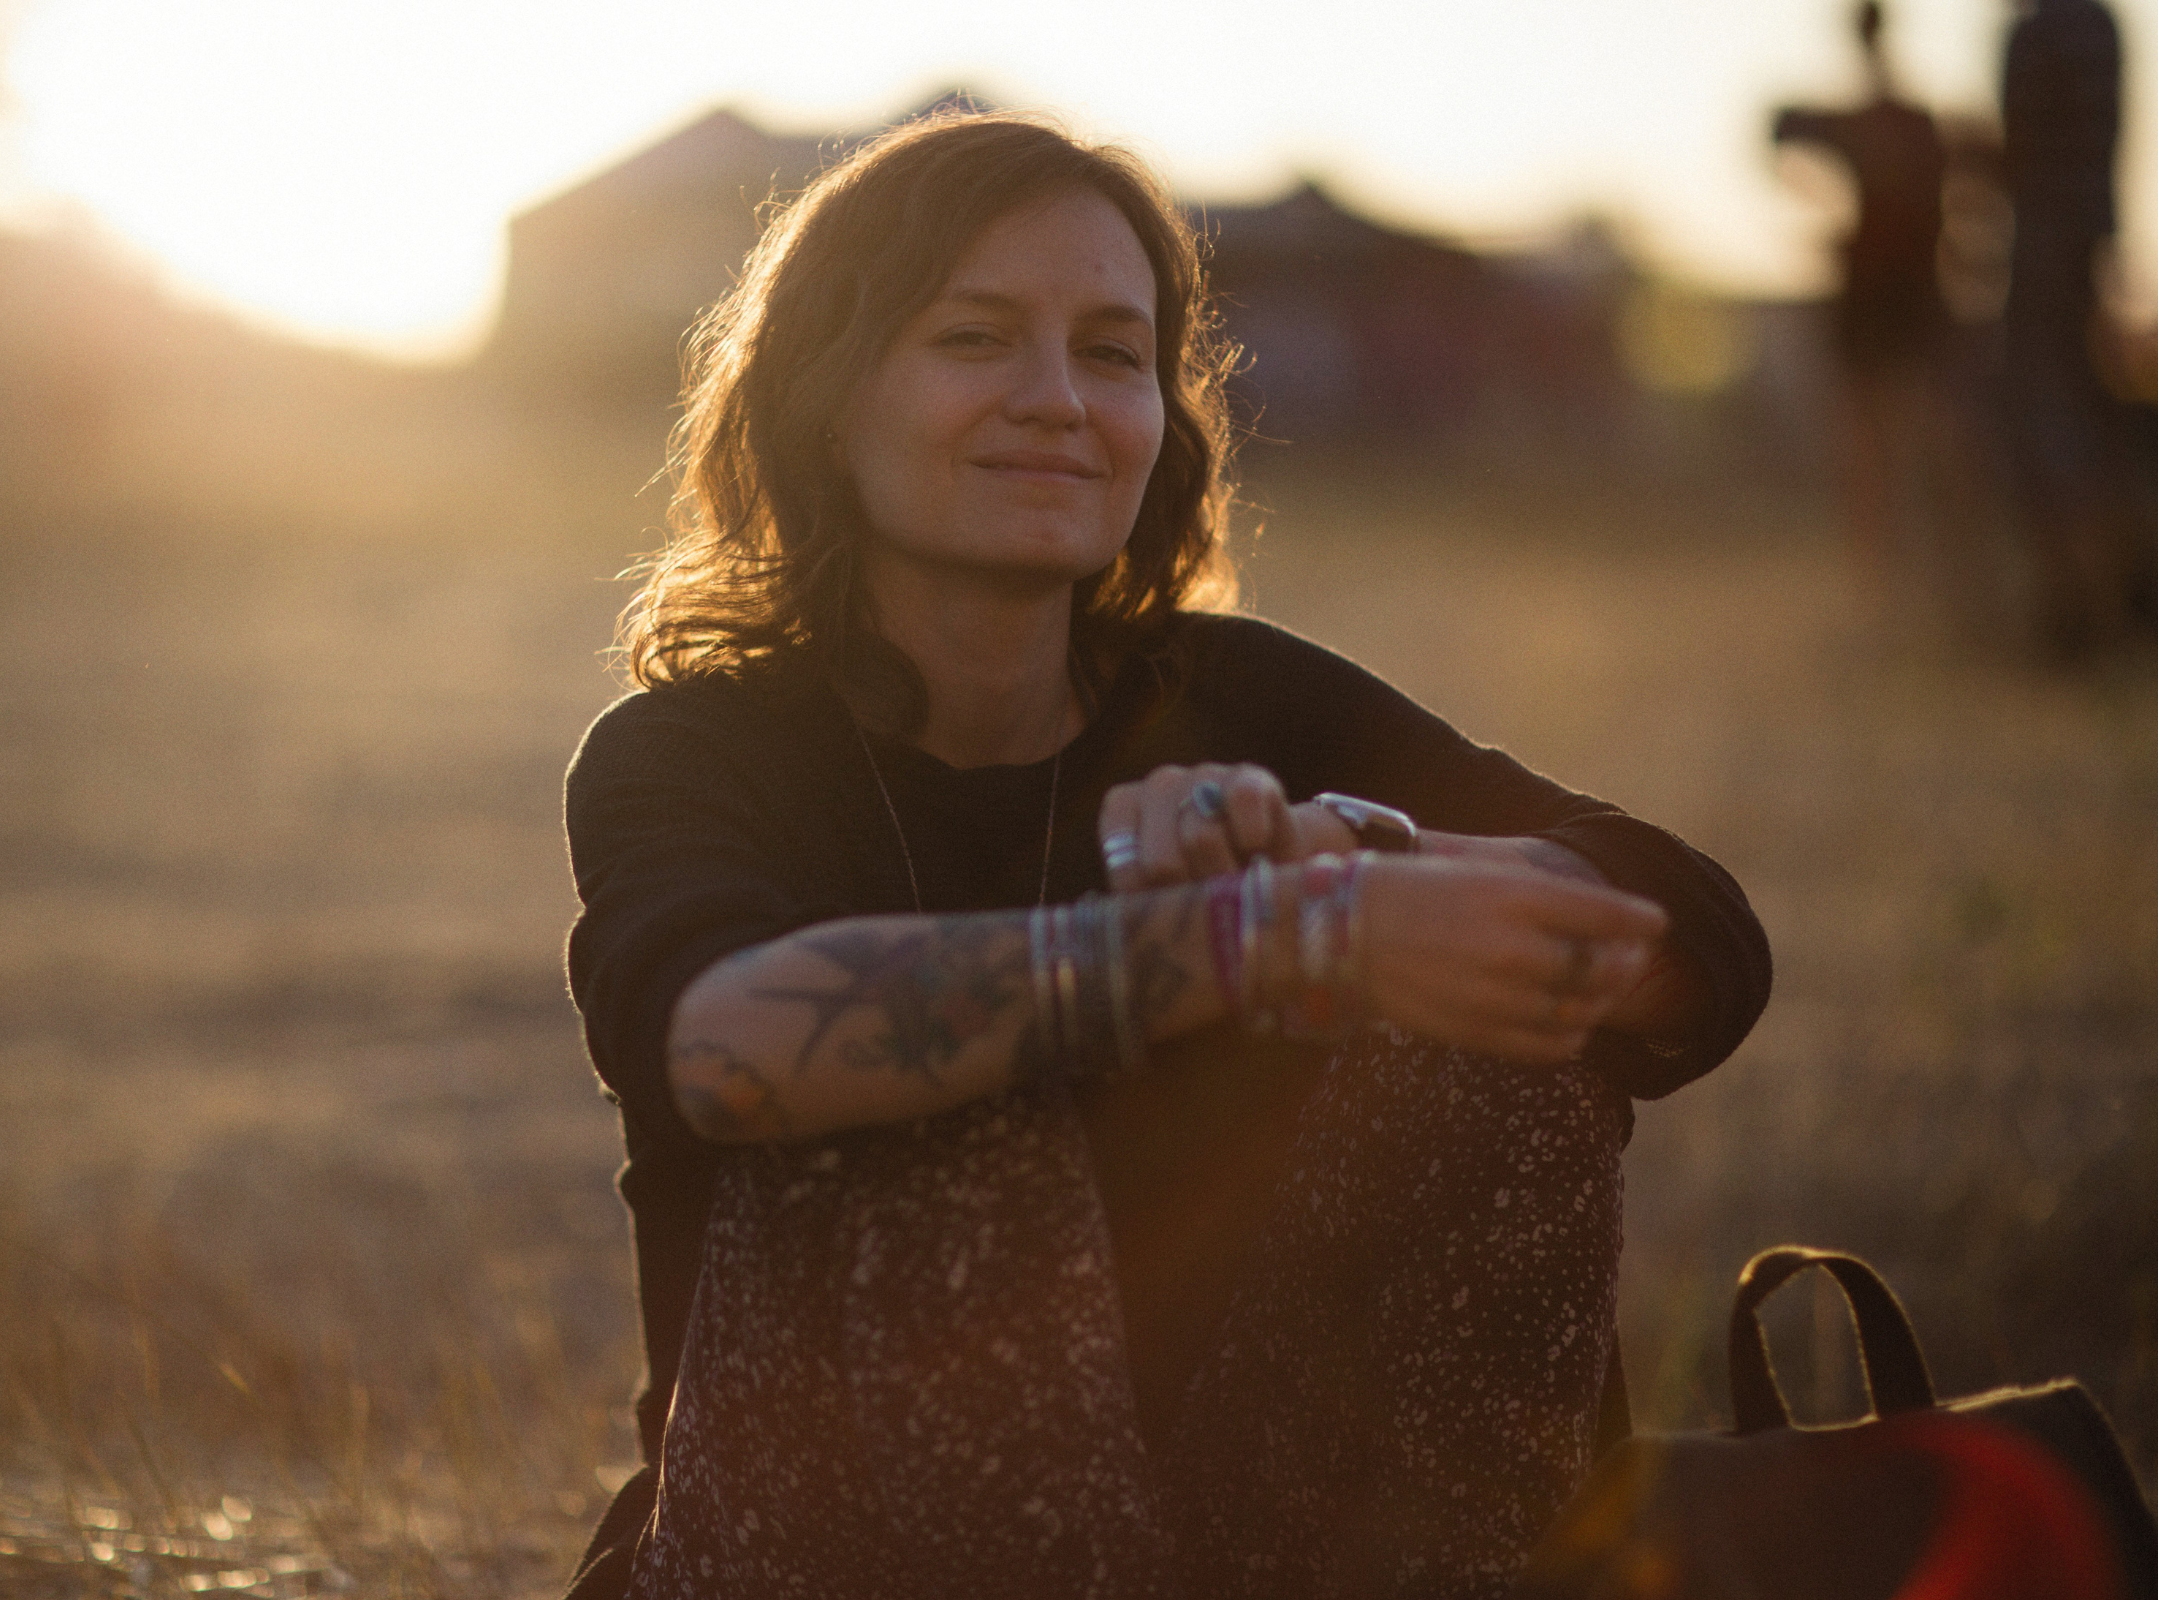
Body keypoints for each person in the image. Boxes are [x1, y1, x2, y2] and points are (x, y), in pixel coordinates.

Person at [562, 112, 1771, 1600]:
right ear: (824, 395)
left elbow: (1694, 939)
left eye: (1114, 354)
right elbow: (721, 1044)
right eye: (976, 338)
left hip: (1243, 1522)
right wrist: (1261, 946)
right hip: (817, 1537)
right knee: (947, 1127)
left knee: (1510, 1054)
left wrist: (1367, 863)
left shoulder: (1239, 699)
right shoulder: (694, 750)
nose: (1057, 400)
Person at [1772, 2, 1975, 614]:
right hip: (1887, 296)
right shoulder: (1888, 120)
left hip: (1901, 297)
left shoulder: (1897, 121)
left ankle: (1928, 579)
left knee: (1912, 437)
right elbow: (1779, 132)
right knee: (1874, 442)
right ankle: (1893, 586)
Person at [2000, 0, 2153, 654]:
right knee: (2101, 417)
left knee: (2042, 418)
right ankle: (2122, 588)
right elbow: (2115, 137)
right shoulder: (2103, 28)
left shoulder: (2034, 34)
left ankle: (2074, 605)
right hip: (2096, 240)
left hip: (2041, 245)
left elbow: (2018, 147)